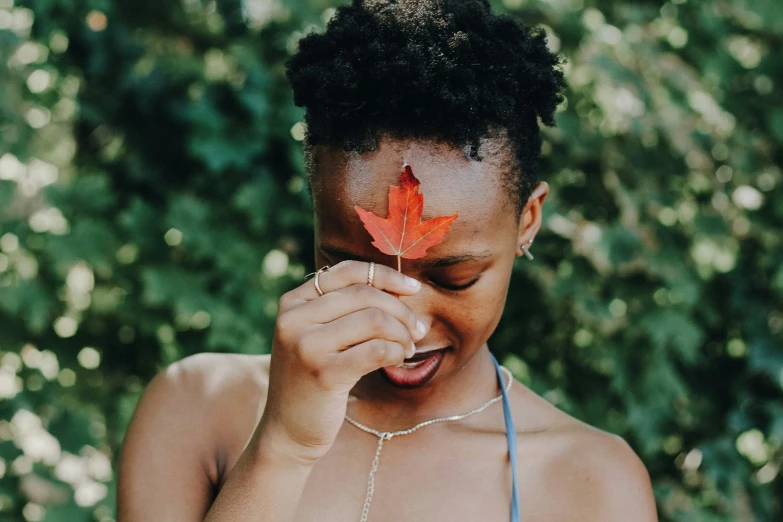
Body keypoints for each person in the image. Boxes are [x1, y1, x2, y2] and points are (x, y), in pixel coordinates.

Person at [116, 0, 658, 520]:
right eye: (353, 267)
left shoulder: (591, 483)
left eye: (456, 278)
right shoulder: (195, 410)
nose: (406, 325)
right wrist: (284, 447)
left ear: (528, 221)